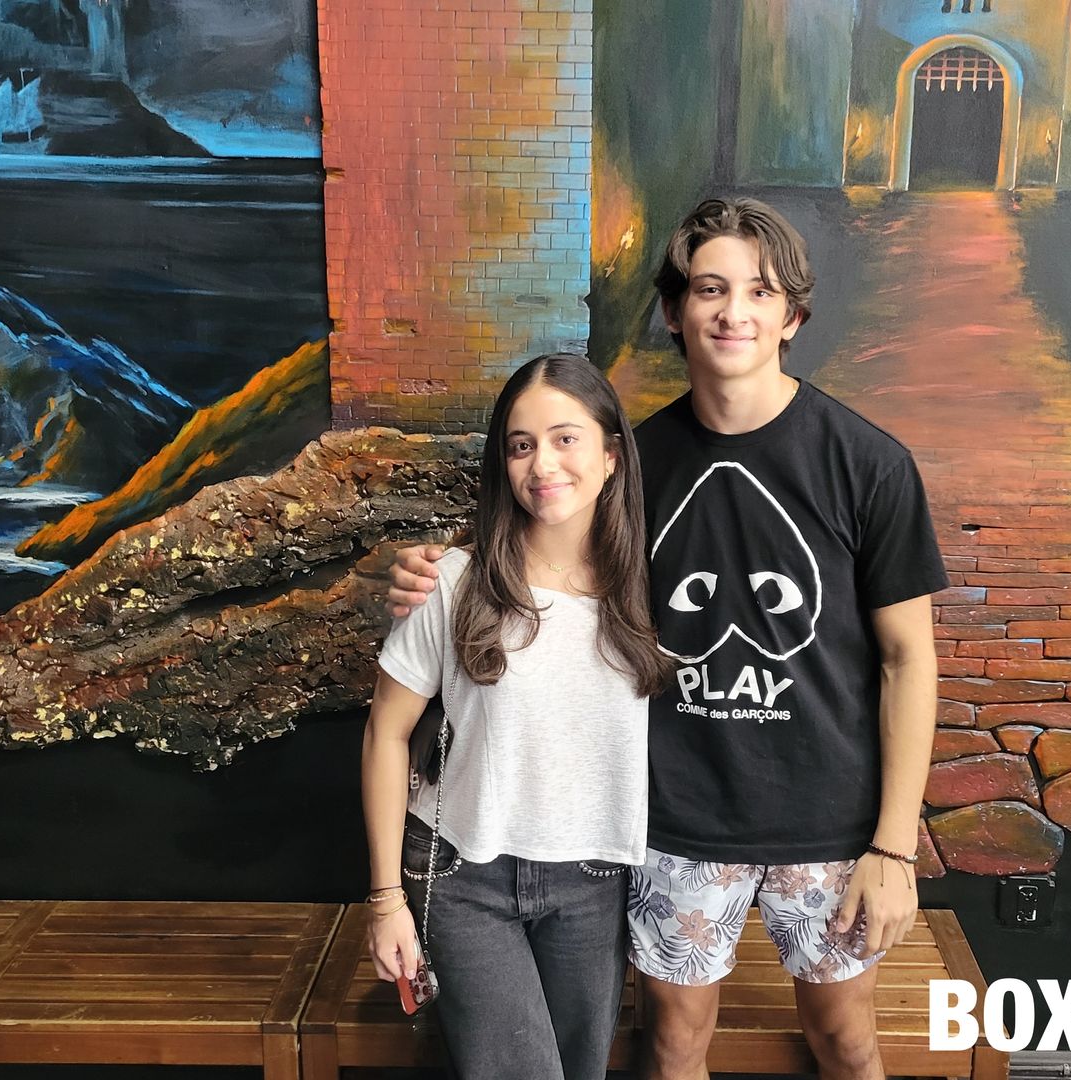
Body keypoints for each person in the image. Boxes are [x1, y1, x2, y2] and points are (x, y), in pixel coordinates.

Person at [389, 197, 949, 1080]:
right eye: (710, 289)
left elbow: (908, 659)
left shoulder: (868, 464)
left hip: (830, 821)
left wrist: (893, 845)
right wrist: (435, 568)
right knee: (673, 1044)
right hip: (676, 819)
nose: (733, 312)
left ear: (793, 317)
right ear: (674, 311)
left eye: (759, 292)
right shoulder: (632, 467)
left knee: (847, 1042)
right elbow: (534, 544)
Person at [361, 353, 672, 1080]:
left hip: (595, 879)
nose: (542, 464)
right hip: (464, 877)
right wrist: (384, 901)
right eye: (521, 444)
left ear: (611, 455)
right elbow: (386, 734)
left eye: (566, 439)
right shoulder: (453, 582)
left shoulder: (656, 587)